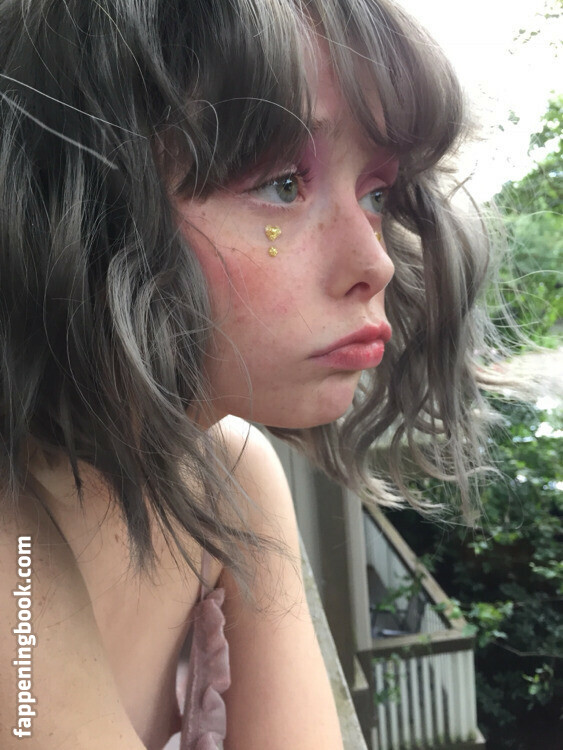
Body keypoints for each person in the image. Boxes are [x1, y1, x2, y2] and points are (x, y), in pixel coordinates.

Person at [0, 1, 500, 748]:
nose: (375, 263)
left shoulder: (231, 470)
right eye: (281, 184)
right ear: (76, 204)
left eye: (375, 194)